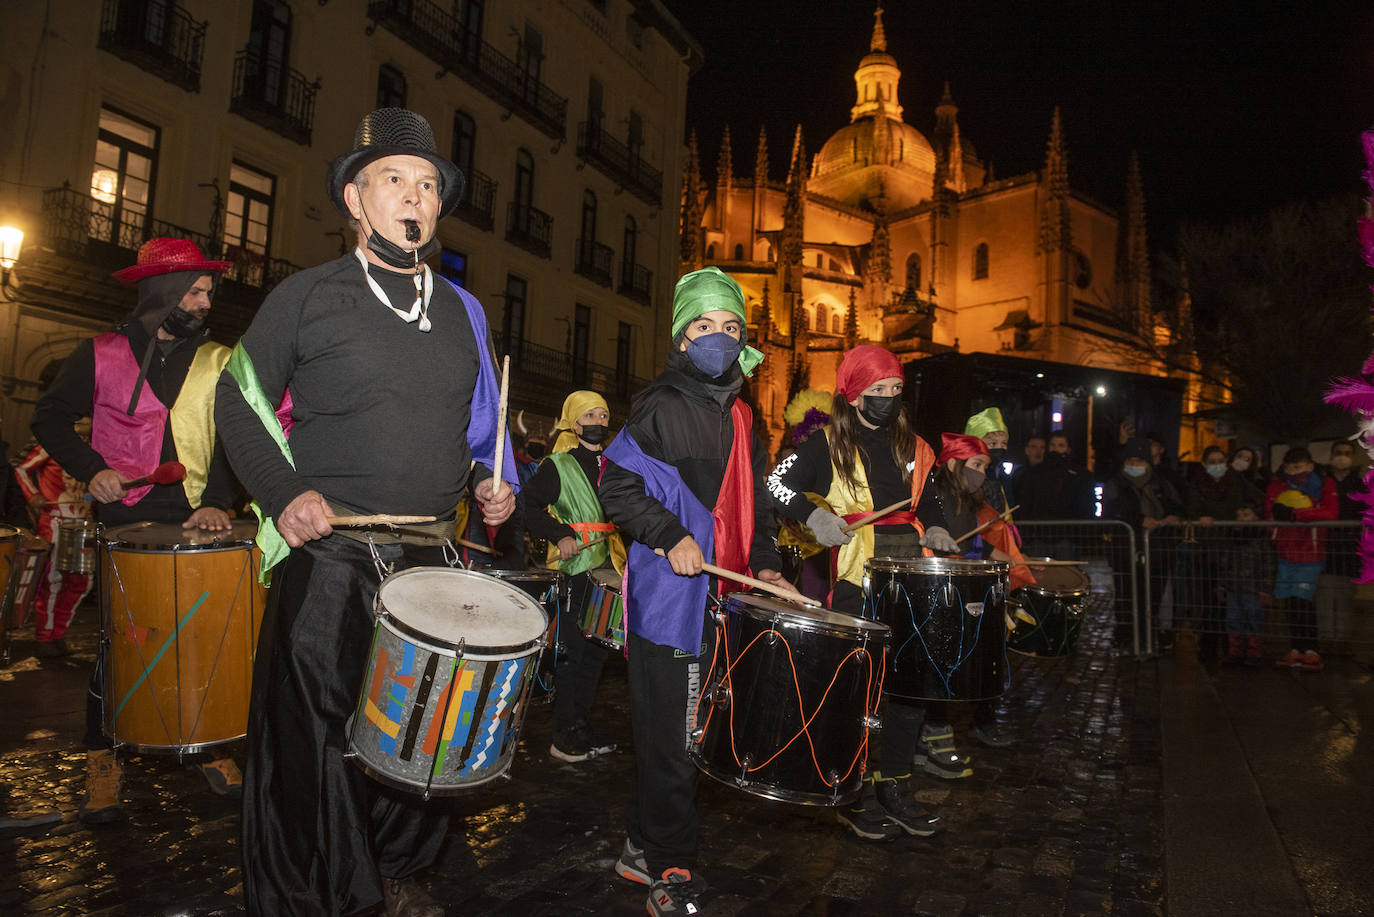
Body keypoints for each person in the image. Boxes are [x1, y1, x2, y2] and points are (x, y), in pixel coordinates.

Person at [214, 107, 516, 917]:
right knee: (318, 737)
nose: (414, 196)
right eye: (394, 180)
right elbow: (235, 401)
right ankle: (332, 897)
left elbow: (487, 422)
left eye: (427, 184)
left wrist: (499, 485)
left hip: (430, 555)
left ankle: (397, 869)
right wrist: (283, 495)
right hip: (332, 555)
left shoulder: (465, 311)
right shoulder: (305, 296)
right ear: (357, 197)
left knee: (426, 727)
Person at [31, 237, 241, 823]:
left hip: (200, 518)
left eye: (207, 292)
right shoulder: (99, 352)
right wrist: (92, 469)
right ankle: (104, 759)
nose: (205, 302)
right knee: (124, 644)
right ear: (164, 294)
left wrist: (220, 500)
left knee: (198, 642)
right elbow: (48, 416)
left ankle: (205, 744)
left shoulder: (222, 359)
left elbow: (236, 439)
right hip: (127, 520)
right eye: (195, 291)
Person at [599, 267, 789, 915]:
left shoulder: (742, 416)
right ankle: (671, 866)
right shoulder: (658, 405)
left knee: (683, 729)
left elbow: (757, 505)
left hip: (720, 600)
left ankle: (640, 844)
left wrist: (764, 565)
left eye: (731, 327)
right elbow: (617, 486)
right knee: (675, 735)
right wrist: (668, 533)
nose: (719, 337)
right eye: (704, 326)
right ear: (682, 338)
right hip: (667, 603)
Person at [767, 344, 951, 841]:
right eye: (877, 391)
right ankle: (852, 790)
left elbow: (929, 500)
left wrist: (934, 527)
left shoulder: (913, 447)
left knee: (909, 690)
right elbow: (773, 486)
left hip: (912, 579)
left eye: (894, 390)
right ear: (852, 393)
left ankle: (894, 786)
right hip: (856, 581)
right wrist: (814, 516)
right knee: (859, 690)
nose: (888, 400)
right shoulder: (823, 445)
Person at [523, 389, 624, 762]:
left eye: (603, 415)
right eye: (589, 416)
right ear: (574, 422)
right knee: (574, 654)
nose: (598, 422)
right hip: (575, 571)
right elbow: (527, 506)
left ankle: (580, 725)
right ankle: (562, 735)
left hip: (609, 569)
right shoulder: (558, 465)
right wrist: (560, 534)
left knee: (598, 653)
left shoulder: (617, 465)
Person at [13, 423, 94, 657]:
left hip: (84, 523)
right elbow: (20, 468)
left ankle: (59, 633)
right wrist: (34, 496)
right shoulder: (52, 443)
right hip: (55, 521)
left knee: (82, 582)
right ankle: (44, 637)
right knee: (54, 580)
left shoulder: (95, 447)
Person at [1103, 437, 1183, 650]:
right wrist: (1138, 522)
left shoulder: (1162, 484)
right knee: (1126, 594)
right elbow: (1111, 512)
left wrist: (1172, 518)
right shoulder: (1116, 484)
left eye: (1140, 461)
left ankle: (1148, 635)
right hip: (1125, 551)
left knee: (1154, 595)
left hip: (1157, 550)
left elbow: (1177, 505)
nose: (1135, 466)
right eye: (1131, 461)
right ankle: (1126, 635)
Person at [1266, 447, 1337, 672]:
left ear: (1310, 465)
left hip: (1310, 552)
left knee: (1304, 600)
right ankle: (1296, 648)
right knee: (1290, 602)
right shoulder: (1277, 485)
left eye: (1299, 466)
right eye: (1290, 467)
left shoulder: (1325, 485)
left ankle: (1311, 650)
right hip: (1286, 552)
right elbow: (1271, 513)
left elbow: (1330, 512)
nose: (1294, 471)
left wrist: (1297, 515)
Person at [1182, 445, 1254, 660]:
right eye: (1212, 461)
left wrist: (1246, 514)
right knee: (1206, 599)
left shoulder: (1235, 483)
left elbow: (1249, 501)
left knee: (1228, 600)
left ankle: (1231, 643)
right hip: (1204, 550)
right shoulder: (1195, 484)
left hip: (1230, 549)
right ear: (1204, 464)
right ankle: (1208, 643)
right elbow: (1191, 508)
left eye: (1220, 460)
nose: (1217, 465)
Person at [1219, 499, 1275, 665]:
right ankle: (1235, 651)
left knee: (1253, 618)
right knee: (1233, 619)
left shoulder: (1263, 541)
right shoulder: (1231, 539)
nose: (1241, 518)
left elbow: (1269, 566)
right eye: (1239, 515)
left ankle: (1253, 652)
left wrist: (1265, 589)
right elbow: (1224, 562)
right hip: (1233, 587)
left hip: (1253, 589)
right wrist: (1222, 584)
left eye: (1246, 515)